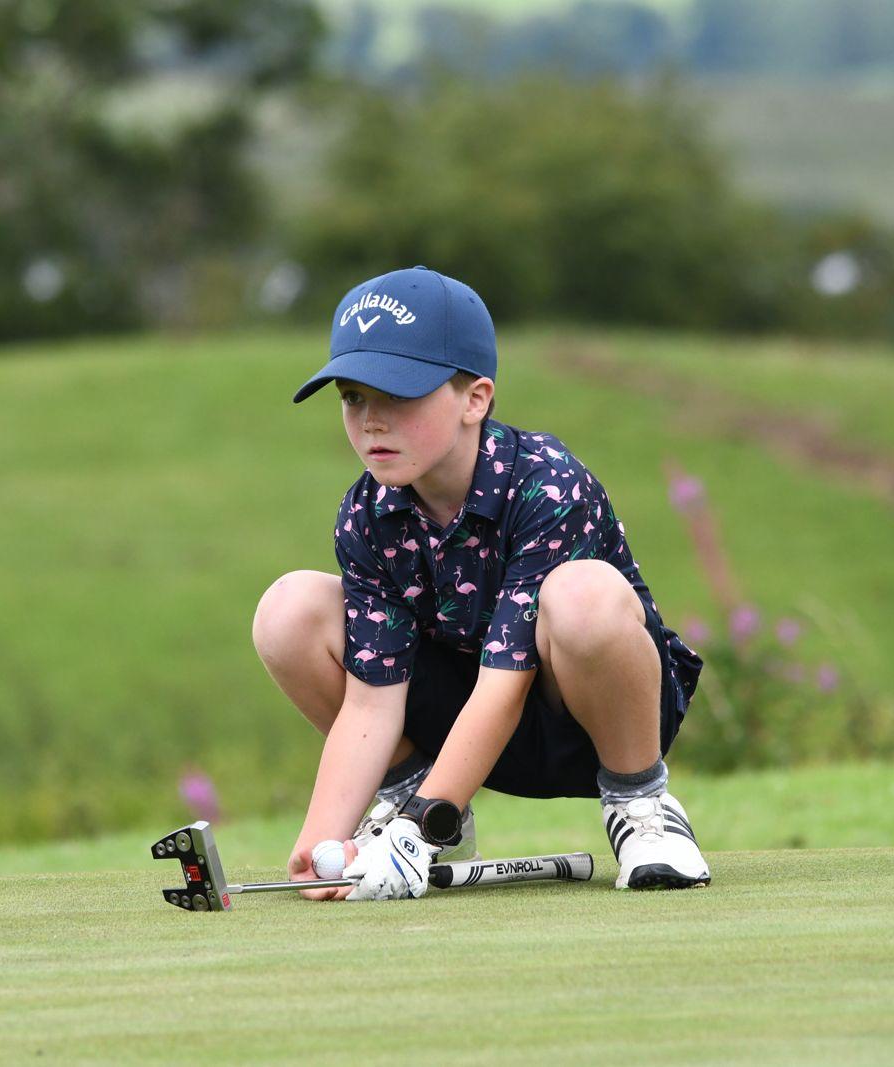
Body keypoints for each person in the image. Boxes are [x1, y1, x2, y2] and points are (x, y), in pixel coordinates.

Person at [251, 266, 710, 899]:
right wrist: (319, 846)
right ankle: (427, 808)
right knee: (290, 609)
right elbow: (370, 701)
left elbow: (505, 686)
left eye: (399, 395)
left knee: (583, 597)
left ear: (476, 399)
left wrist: (416, 834)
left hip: (587, 719)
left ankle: (642, 808)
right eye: (353, 397)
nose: (371, 421)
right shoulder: (367, 514)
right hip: (467, 731)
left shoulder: (548, 485)